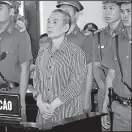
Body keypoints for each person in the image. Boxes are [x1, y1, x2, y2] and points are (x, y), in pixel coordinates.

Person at [33, 9, 87, 124]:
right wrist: (40, 103)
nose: (49, 25)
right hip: (44, 115)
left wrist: (52, 106)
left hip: (67, 114)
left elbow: (76, 85)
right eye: (48, 22)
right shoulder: (42, 51)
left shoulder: (75, 52)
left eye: (55, 22)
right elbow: (36, 81)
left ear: (65, 28)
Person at [56, 1, 95, 112]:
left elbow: (89, 70)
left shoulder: (84, 38)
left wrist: (87, 99)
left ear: (76, 15)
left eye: (67, 12)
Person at [101, 1, 131, 131]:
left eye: (129, 11)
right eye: (123, 11)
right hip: (120, 108)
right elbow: (110, 75)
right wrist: (105, 106)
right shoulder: (115, 40)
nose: (125, 15)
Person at [91, 1, 125, 114]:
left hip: (124, 94)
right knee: (104, 125)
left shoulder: (127, 34)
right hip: (103, 89)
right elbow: (96, 66)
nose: (107, 12)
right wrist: (103, 87)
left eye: (111, 8)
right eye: (105, 8)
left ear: (122, 10)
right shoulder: (98, 36)